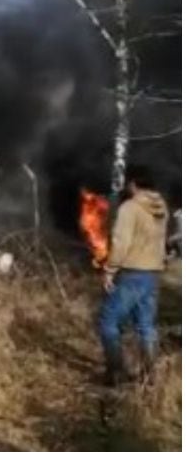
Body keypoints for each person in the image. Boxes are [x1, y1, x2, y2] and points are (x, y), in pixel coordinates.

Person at [99, 164, 169, 387]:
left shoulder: (130, 208)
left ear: (133, 184)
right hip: (152, 274)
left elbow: (121, 243)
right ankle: (150, 375)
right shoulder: (161, 208)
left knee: (108, 322)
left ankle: (115, 373)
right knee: (146, 326)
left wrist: (110, 270)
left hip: (131, 274)